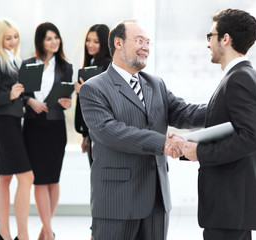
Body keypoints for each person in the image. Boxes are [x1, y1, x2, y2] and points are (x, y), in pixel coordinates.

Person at [79, 20, 207, 240]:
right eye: (139, 41)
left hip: (156, 200)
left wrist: (224, 106)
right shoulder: (94, 88)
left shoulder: (156, 84)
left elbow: (184, 112)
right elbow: (111, 132)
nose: (146, 47)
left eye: (148, 42)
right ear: (118, 43)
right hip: (117, 203)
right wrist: (163, 143)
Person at [179, 9, 256, 240]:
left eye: (210, 36)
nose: (208, 43)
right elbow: (228, 129)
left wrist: (199, 151)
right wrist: (187, 146)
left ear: (225, 39)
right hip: (231, 207)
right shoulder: (247, 76)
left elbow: (251, 137)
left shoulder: (239, 79)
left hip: (229, 205)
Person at [22, 22, 73, 240]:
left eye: (56, 37)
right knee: (40, 180)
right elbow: (21, 93)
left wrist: (68, 103)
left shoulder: (66, 67)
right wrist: (30, 101)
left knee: (53, 179)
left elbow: (68, 98)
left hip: (55, 126)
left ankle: (45, 231)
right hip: (34, 127)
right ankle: (50, 234)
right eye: (49, 38)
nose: (54, 42)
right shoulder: (28, 64)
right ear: (40, 42)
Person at [0, 18, 34, 240]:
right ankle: (22, 235)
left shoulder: (15, 60)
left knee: (4, 179)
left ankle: (3, 235)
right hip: (3, 122)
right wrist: (10, 95)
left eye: (15, 37)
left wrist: (27, 98)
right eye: (8, 37)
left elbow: (18, 94)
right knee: (27, 177)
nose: (13, 41)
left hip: (13, 121)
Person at [74, 24, 112, 166]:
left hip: (101, 136)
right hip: (92, 134)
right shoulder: (90, 63)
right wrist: (85, 136)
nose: (90, 45)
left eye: (96, 42)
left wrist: (83, 92)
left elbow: (106, 100)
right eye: (88, 40)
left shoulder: (107, 65)